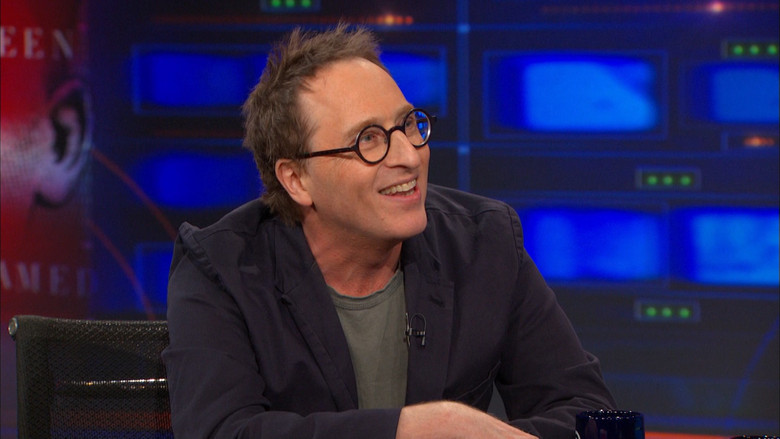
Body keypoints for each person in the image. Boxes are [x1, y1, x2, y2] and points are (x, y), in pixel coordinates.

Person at [163, 24, 615, 439]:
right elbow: (218, 432)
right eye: (369, 139)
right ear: (296, 179)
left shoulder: (484, 244)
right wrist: (409, 430)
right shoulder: (221, 270)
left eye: (408, 125)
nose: (409, 156)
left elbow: (588, 413)